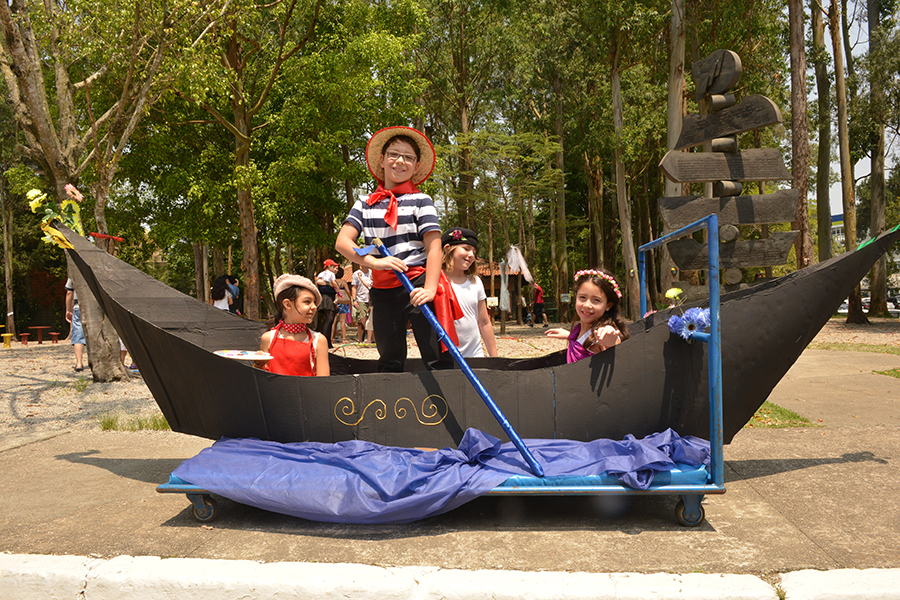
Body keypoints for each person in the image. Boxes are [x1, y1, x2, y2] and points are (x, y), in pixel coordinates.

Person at [335, 125, 459, 372]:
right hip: (382, 289)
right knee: (389, 357)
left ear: (415, 165)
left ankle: (449, 405)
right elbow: (343, 243)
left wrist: (431, 289)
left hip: (418, 284)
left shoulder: (421, 200)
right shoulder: (364, 204)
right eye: (394, 154)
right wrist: (374, 262)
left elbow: (434, 247)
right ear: (382, 160)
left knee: (436, 356)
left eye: (408, 157)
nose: (400, 161)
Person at [545, 268, 630, 364]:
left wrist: (610, 343)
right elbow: (582, 342)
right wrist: (569, 335)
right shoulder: (579, 329)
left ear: (608, 305)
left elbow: (613, 352)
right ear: (576, 296)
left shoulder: (602, 334)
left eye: (596, 300)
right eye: (582, 297)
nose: (587, 305)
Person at [441, 227, 497, 358]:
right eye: (466, 249)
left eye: (474, 251)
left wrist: (495, 359)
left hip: (474, 354)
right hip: (444, 358)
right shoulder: (434, 282)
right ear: (448, 248)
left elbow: (484, 322)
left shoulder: (475, 282)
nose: (471, 255)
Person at [259, 274, 329, 377]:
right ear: (287, 304)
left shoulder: (319, 340)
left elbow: (324, 383)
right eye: (307, 302)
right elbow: (262, 379)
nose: (314, 306)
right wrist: (258, 364)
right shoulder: (268, 338)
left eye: (314, 302)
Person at [315, 259, 339, 348]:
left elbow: (317, 282)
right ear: (329, 266)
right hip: (328, 297)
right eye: (333, 266)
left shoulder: (321, 273)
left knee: (326, 319)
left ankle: (325, 341)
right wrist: (338, 289)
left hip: (322, 296)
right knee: (329, 319)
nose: (334, 268)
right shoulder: (331, 274)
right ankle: (326, 341)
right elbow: (334, 283)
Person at [64, 278, 85, 372]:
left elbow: (69, 293)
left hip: (78, 306)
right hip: (94, 305)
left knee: (78, 334)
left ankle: (79, 363)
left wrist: (68, 310)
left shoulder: (74, 273)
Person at [351, 264, 373, 343]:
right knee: (361, 319)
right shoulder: (356, 274)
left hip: (371, 300)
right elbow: (354, 287)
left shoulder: (372, 273)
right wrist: (354, 300)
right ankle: (361, 340)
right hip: (361, 299)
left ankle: (372, 339)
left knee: (372, 320)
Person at [332, 266, 352, 344]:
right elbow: (348, 291)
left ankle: (332, 338)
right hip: (343, 302)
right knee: (342, 321)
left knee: (334, 321)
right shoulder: (343, 282)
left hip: (335, 301)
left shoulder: (332, 281)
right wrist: (350, 299)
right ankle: (344, 338)